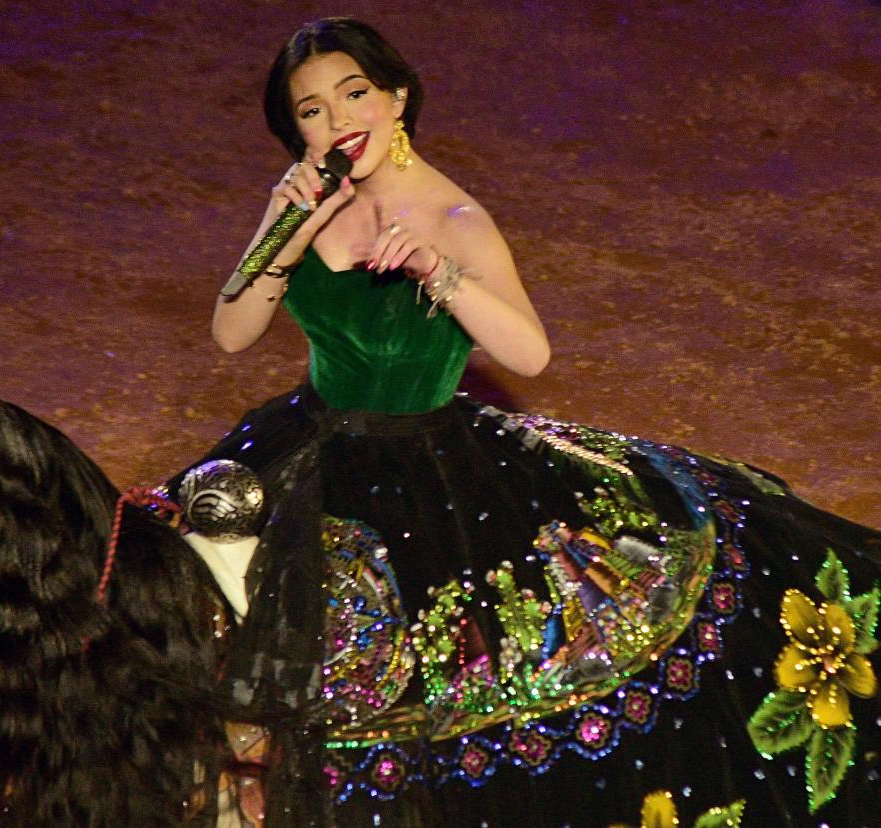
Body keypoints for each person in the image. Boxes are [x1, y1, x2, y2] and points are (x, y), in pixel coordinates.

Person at [172, 17, 881, 828]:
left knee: (421, 683)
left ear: (399, 98)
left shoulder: (456, 218)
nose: (338, 123)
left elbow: (530, 354)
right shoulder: (308, 206)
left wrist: (440, 273)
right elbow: (232, 333)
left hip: (424, 473)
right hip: (308, 442)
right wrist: (278, 229)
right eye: (311, 111)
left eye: (355, 95)